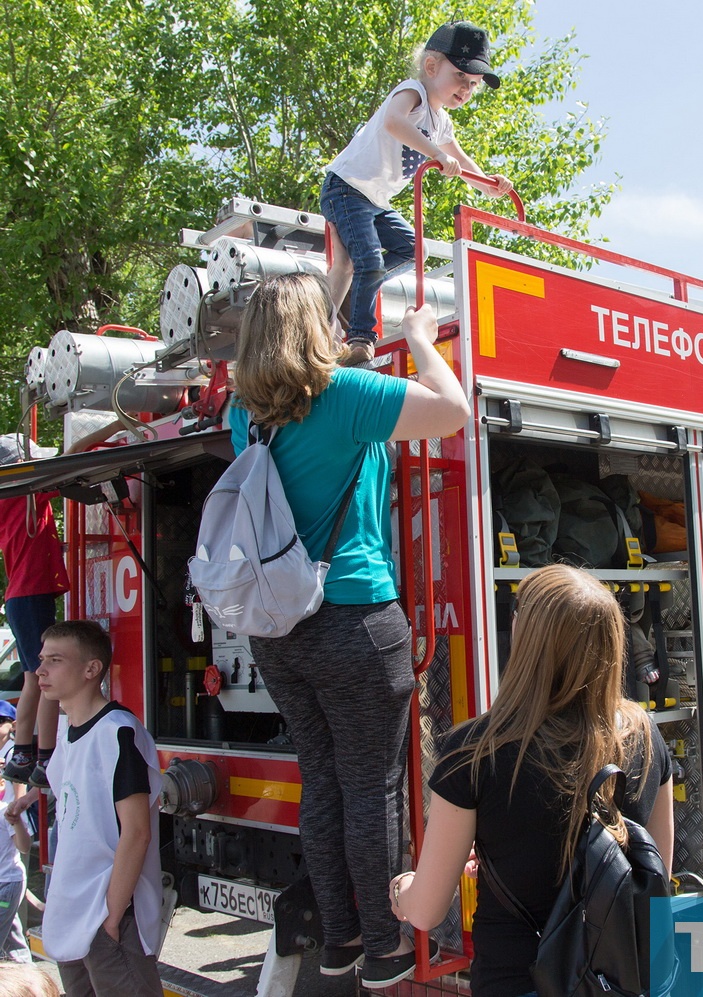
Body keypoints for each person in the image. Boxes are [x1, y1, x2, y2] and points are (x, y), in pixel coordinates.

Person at [228, 272, 470, 988]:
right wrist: (421, 341)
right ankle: (390, 947)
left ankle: (340, 938)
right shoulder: (342, 397)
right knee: (373, 787)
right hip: (355, 616)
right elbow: (451, 410)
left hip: (277, 632)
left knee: (324, 783)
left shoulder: (246, 415)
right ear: (314, 332)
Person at [388, 564, 675, 997]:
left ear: (526, 636)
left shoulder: (474, 751)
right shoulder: (646, 736)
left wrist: (402, 889)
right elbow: (655, 873)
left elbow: (427, 911)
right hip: (619, 981)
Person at [320, 20, 513, 366]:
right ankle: (362, 336)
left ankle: (363, 282)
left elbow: (462, 162)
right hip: (347, 187)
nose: (466, 89)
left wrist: (488, 184)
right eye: (460, 78)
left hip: (374, 201)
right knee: (368, 260)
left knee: (413, 250)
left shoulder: (442, 123)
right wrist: (436, 154)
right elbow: (395, 122)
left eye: (473, 85)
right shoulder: (413, 92)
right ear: (431, 66)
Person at [32, 620, 163, 997]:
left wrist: (112, 913)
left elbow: (137, 833)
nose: (41, 670)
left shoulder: (117, 731)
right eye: (42, 659)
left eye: (55, 660)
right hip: (75, 916)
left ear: (92, 669)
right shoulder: (65, 734)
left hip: (108, 919)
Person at [0, 435, 68, 791]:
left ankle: (27, 752)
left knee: (35, 677)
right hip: (28, 594)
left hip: (23, 596)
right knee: (41, 679)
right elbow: (69, 461)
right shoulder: (27, 494)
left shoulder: (14, 499)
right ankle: (38, 753)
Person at [0, 773, 31, 965]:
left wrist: (17, 822)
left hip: (7, 886)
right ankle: (32, 982)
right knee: (12, 942)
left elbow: (24, 846)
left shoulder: (5, 813)